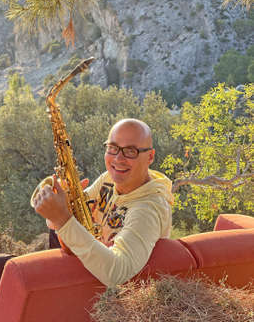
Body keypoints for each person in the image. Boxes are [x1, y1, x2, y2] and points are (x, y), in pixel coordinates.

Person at [33, 118, 173, 287]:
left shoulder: (147, 210)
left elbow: (117, 274)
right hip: (87, 263)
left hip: (97, 289)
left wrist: (62, 218)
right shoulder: (108, 179)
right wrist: (63, 202)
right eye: (113, 148)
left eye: (130, 151)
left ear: (150, 157)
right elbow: (63, 219)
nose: (118, 159)